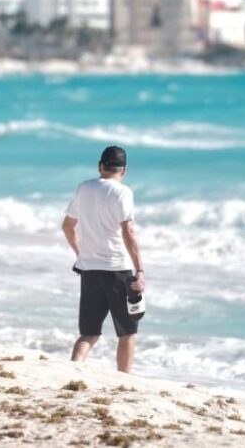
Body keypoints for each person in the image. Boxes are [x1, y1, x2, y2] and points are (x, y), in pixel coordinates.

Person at [61, 146, 145, 374]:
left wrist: (81, 253)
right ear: (124, 170)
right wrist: (140, 270)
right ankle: (124, 380)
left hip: (90, 270)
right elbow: (128, 232)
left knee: (89, 333)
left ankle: (72, 370)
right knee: (127, 332)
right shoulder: (122, 192)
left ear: (100, 166)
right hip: (118, 269)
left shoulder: (84, 188)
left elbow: (67, 226)